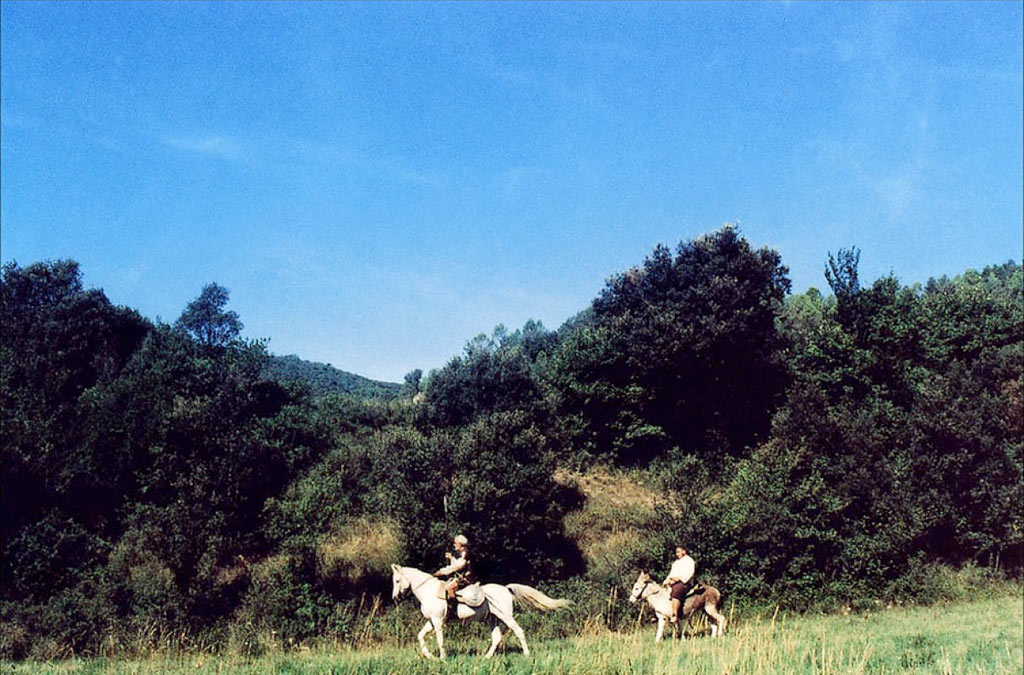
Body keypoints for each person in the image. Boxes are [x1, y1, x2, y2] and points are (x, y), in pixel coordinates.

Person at [434, 534, 475, 600]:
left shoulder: (465, 556)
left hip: (466, 579)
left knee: (449, 588)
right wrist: (451, 558)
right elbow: (457, 565)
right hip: (461, 578)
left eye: (456, 543)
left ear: (461, 546)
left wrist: (440, 572)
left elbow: (455, 567)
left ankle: (453, 608)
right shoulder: (463, 554)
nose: (454, 545)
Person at [663, 546, 695, 624]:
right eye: (676, 552)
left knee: (676, 591)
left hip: (684, 583)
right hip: (673, 582)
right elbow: (671, 574)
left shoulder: (689, 561)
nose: (677, 554)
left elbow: (690, 573)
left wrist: (679, 579)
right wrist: (666, 581)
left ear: (684, 551)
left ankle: (674, 615)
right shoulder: (676, 563)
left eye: (678, 552)